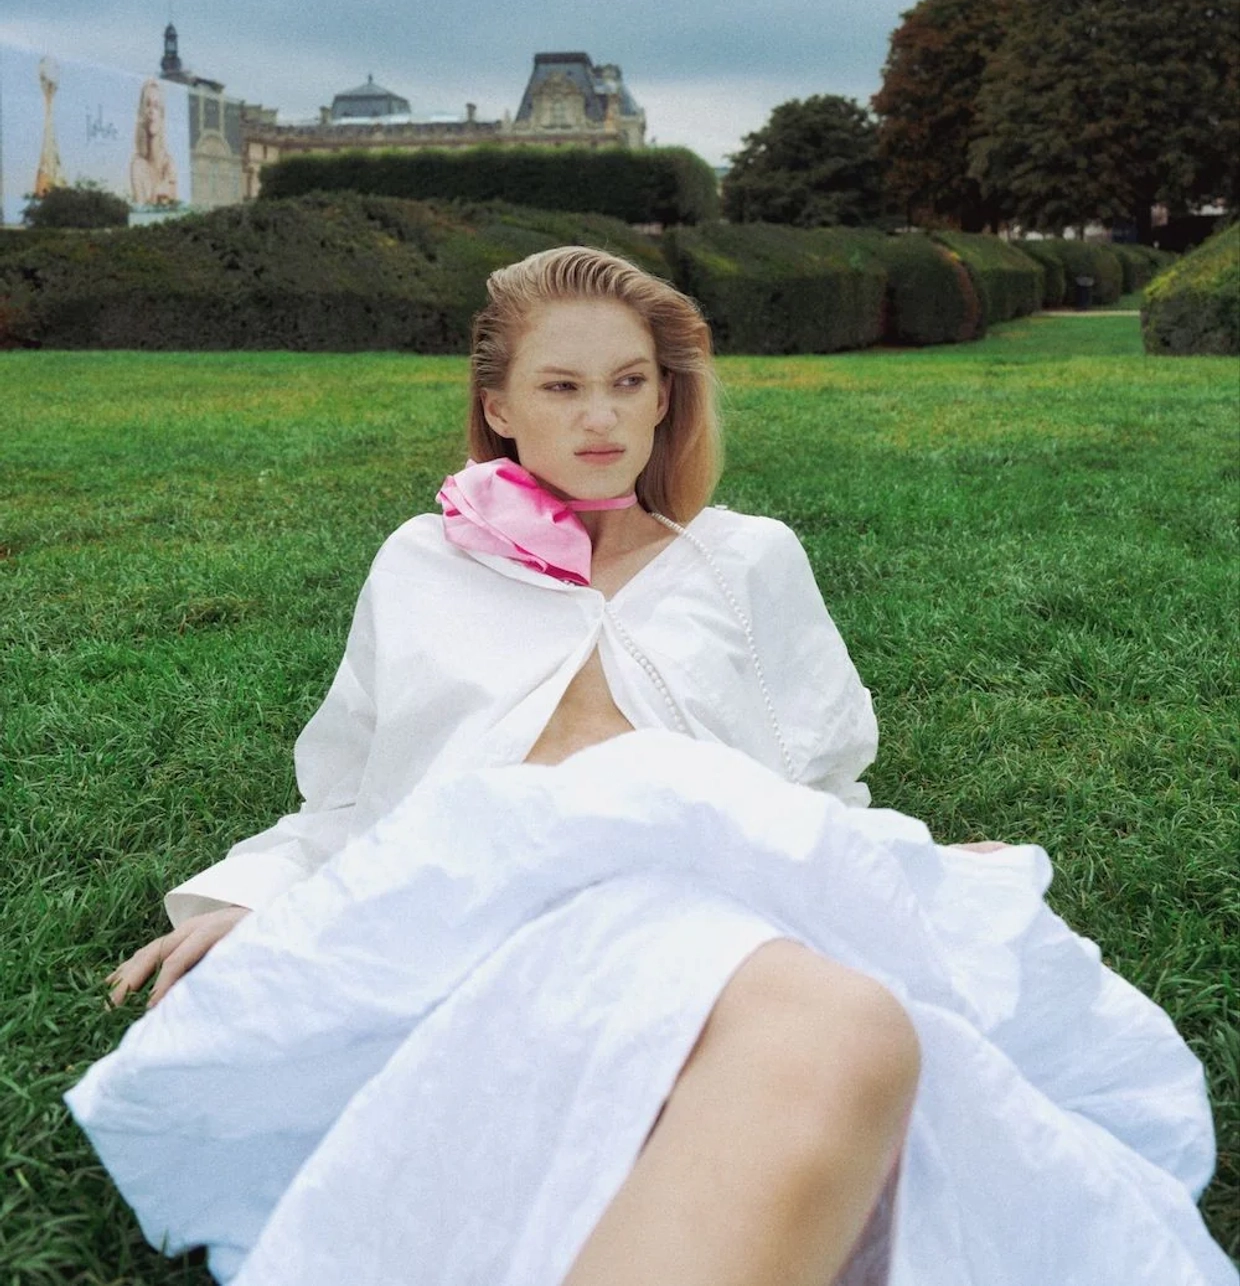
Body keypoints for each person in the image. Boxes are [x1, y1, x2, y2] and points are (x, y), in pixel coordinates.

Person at [68, 249, 1231, 1286]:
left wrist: (907, 860)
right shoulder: (423, 561)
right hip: (492, 915)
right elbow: (351, 788)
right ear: (498, 406)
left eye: (629, 381)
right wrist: (255, 891)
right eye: (561, 387)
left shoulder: (745, 558)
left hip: (705, 896)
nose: (601, 417)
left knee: (850, 1048)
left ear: (666, 394)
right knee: (842, 1038)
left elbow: (815, 787)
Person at [128, 78, 179, 205]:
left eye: (156, 106)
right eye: (147, 105)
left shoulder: (169, 164)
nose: (151, 111)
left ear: (162, 116)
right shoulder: (137, 165)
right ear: (142, 114)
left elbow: (174, 208)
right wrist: (156, 193)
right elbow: (141, 213)